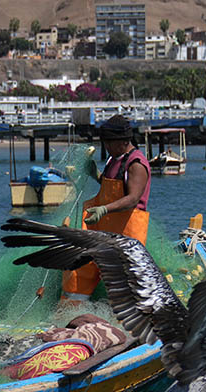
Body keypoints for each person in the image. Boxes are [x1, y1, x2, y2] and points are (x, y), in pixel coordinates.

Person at [62, 114, 151, 302]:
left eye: (109, 143)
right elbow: (109, 185)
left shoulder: (136, 164)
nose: (106, 147)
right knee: (79, 271)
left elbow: (133, 198)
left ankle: (119, 326)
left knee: (123, 284)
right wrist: (95, 174)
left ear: (124, 141)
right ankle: (70, 313)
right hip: (101, 231)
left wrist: (104, 209)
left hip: (126, 236)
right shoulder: (113, 159)